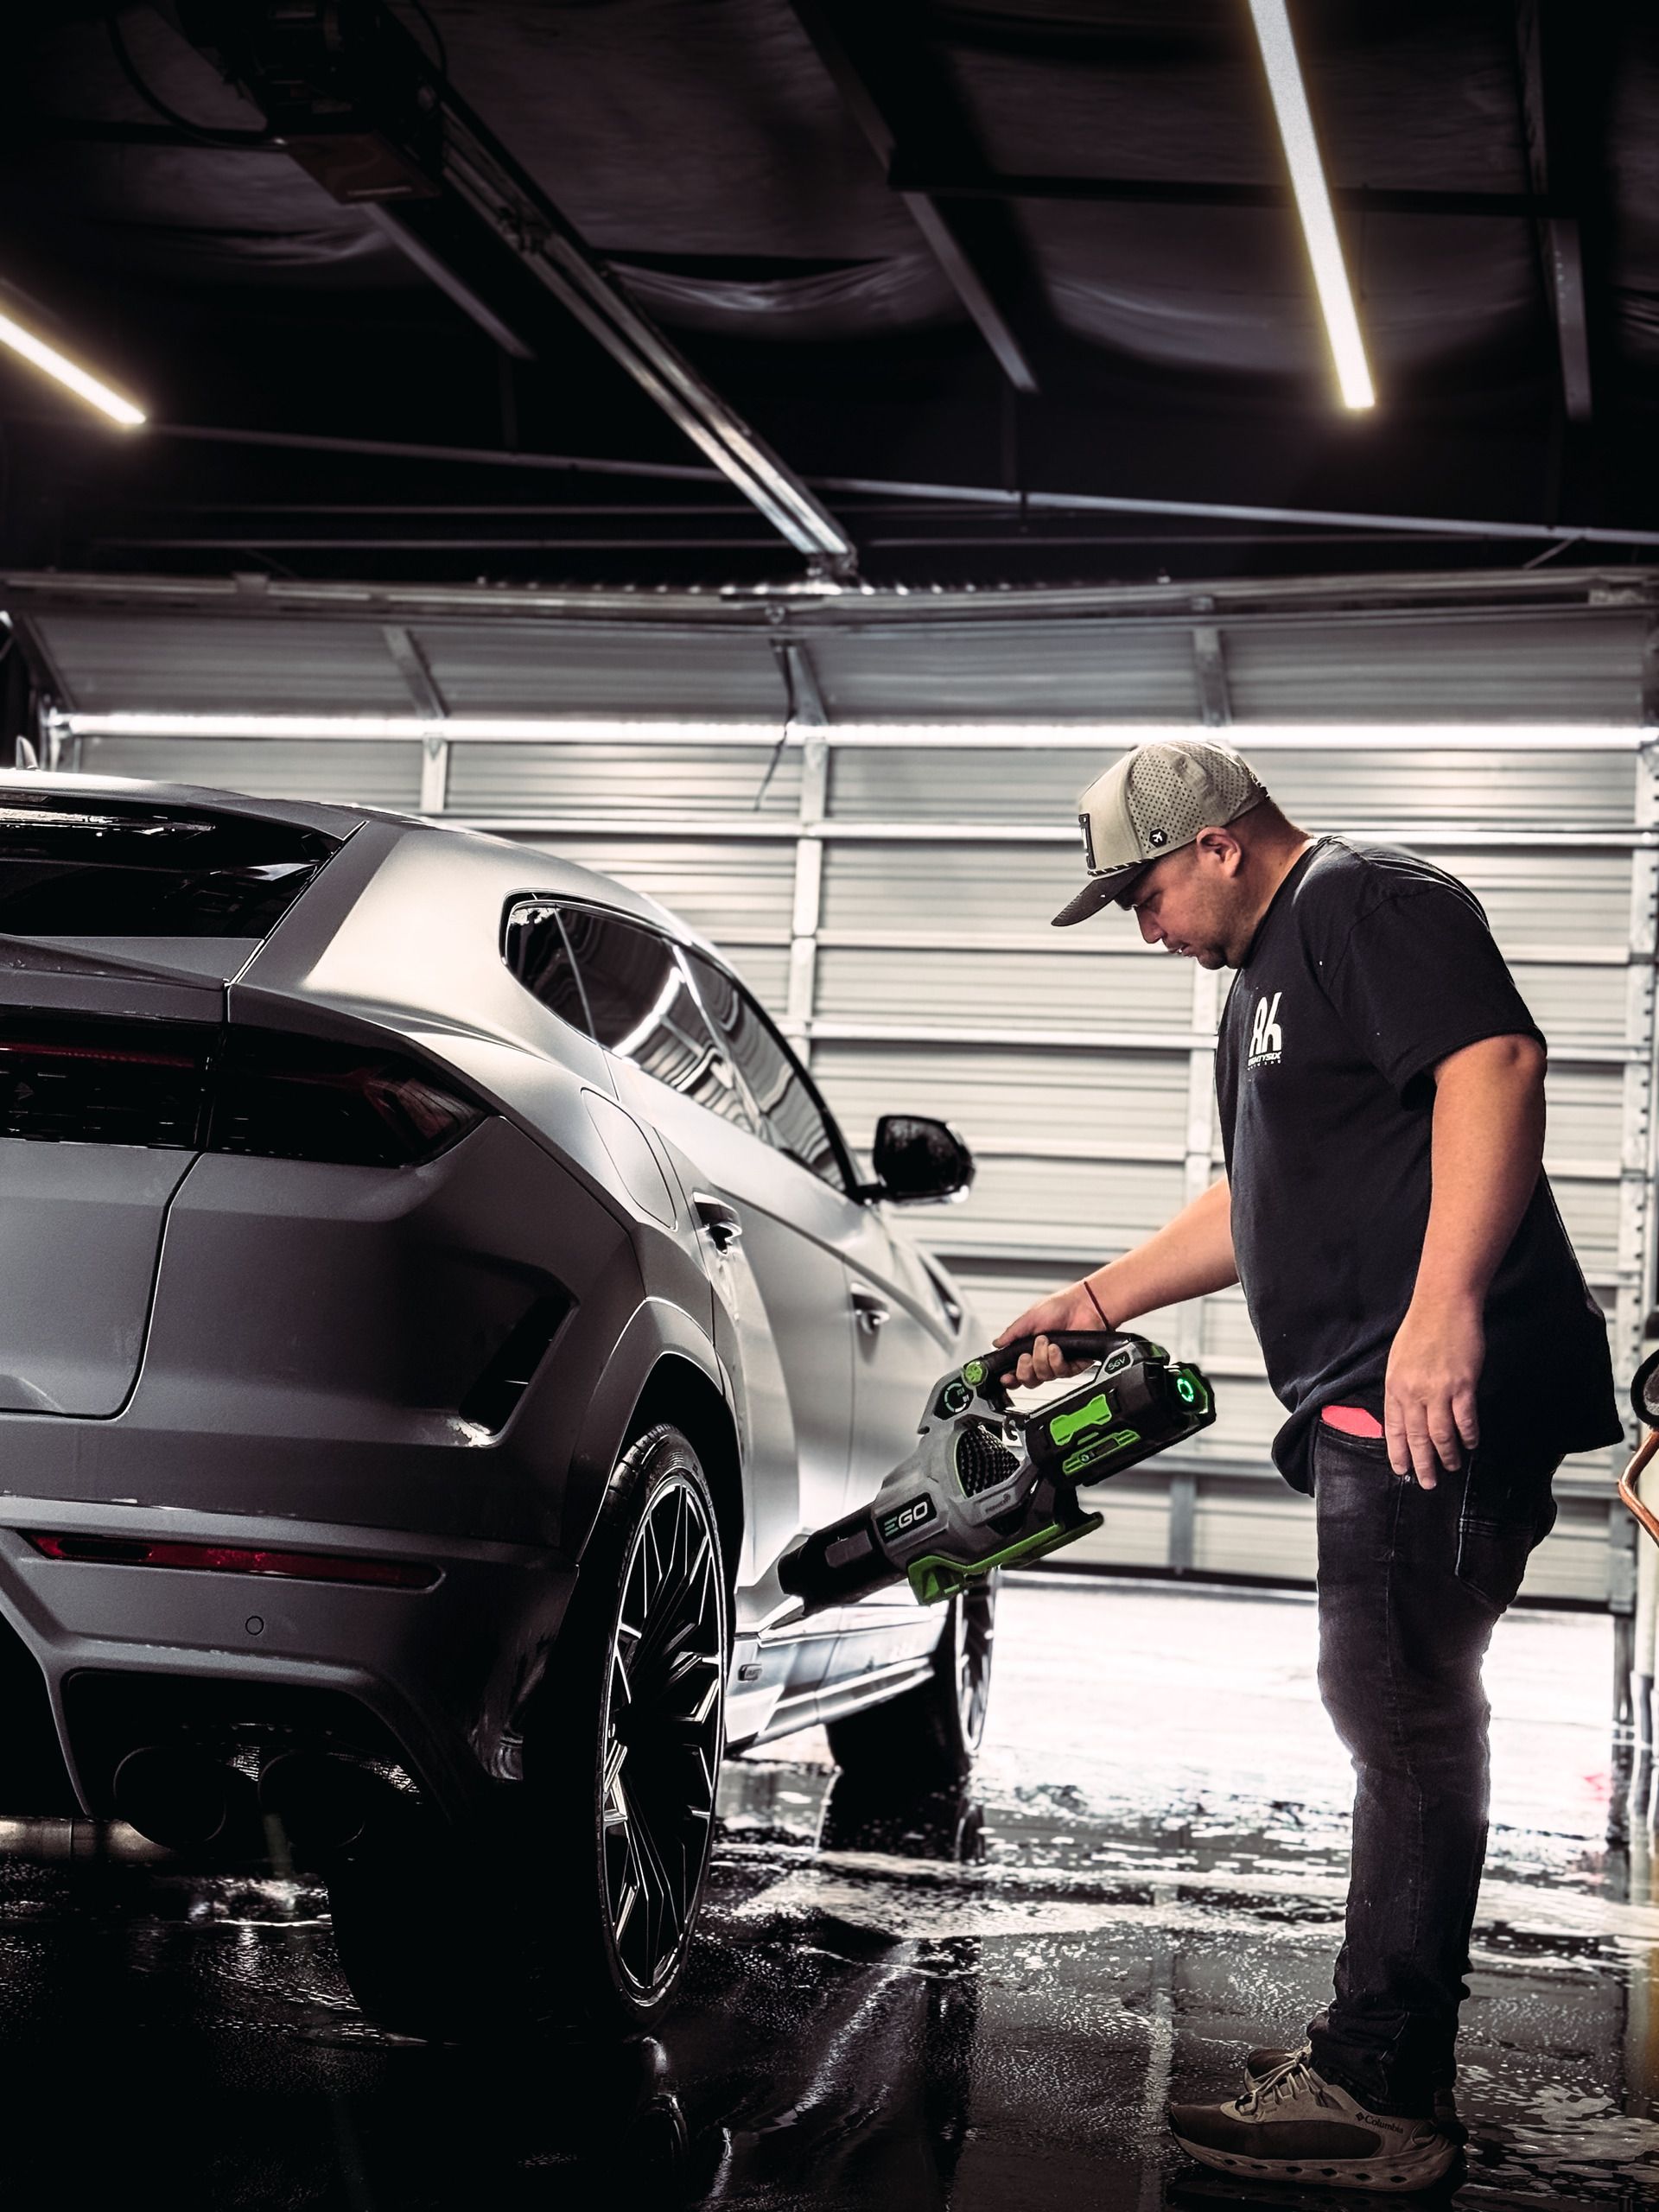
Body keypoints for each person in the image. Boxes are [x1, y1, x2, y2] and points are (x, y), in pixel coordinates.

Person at [995, 737, 1620, 2193]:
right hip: (1373, 1391)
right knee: (1393, 1703)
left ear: (1213, 842)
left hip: (1427, 1390)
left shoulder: (1363, 901)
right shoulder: (1263, 983)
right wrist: (1092, 1305)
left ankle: (1385, 2094)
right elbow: (1254, 1199)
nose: (1144, 929)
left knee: (1401, 1710)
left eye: (1141, 893)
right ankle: (1374, 2068)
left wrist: (1440, 1312)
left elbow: (1495, 1063)